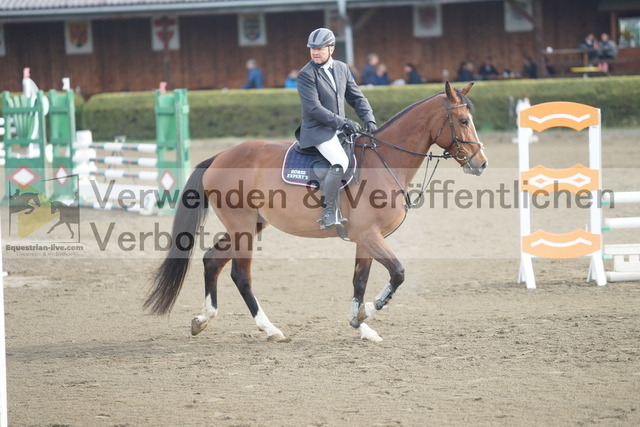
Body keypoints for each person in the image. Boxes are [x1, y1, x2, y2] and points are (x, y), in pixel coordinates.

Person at [296, 28, 377, 230]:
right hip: (318, 131)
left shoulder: (342, 68)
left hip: (339, 128)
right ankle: (328, 212)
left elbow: (357, 97)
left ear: (331, 48)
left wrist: (369, 119)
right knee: (340, 161)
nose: (315, 52)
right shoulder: (306, 75)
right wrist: (343, 122)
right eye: (312, 49)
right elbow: (314, 109)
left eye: (320, 48)